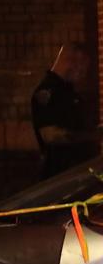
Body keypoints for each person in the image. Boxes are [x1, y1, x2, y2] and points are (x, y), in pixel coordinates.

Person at [32, 42, 99, 180]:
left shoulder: (68, 93)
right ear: (71, 61)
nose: (83, 75)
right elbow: (50, 136)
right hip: (60, 177)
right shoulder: (48, 93)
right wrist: (92, 135)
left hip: (77, 176)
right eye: (82, 69)